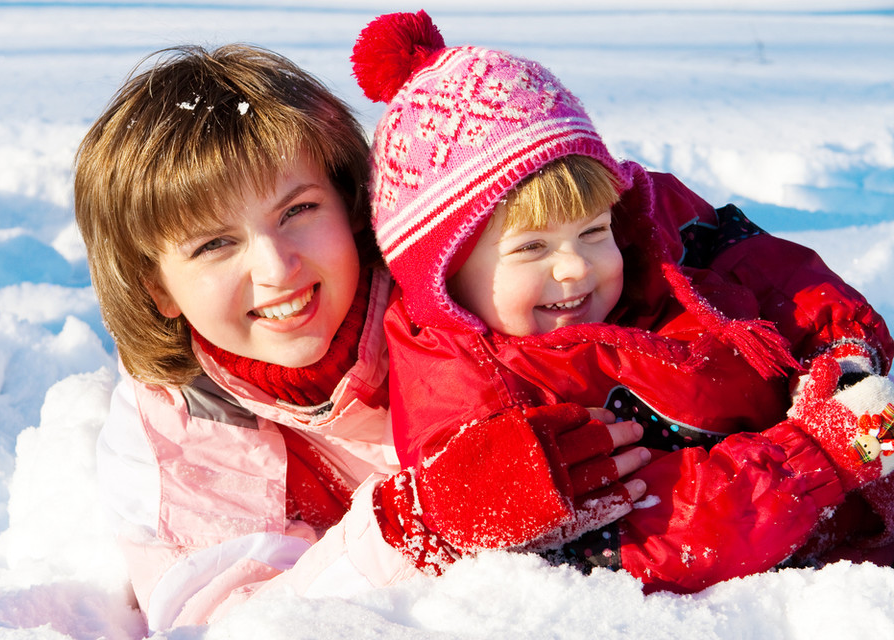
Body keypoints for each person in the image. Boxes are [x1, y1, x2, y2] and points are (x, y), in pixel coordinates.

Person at [73, 42, 647, 631]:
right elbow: (227, 620)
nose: (276, 268)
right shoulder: (178, 425)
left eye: (297, 210)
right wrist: (419, 522)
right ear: (158, 288)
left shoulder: (451, 290)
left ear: (350, 203)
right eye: (214, 244)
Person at [350, 10, 894, 592]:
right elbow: (646, 535)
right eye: (531, 247)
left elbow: (778, 276)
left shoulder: (657, 237)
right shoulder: (472, 395)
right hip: (776, 578)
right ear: (446, 276)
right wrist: (815, 458)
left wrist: (843, 358)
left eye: (592, 231)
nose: (576, 265)